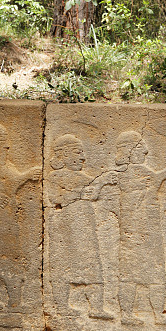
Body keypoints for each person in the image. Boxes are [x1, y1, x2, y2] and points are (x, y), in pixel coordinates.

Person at [0, 122, 41, 314]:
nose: (8, 146)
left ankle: (14, 302)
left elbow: (13, 181)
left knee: (12, 260)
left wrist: (26, 176)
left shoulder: (7, 166)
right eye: (3, 141)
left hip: (9, 221)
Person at [113, 131, 166, 326]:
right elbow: (136, 191)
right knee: (130, 275)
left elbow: (149, 187)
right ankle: (126, 314)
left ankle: (158, 314)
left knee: (157, 274)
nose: (146, 151)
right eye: (141, 147)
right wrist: (161, 177)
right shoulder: (124, 174)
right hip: (133, 233)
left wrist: (159, 177)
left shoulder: (146, 171)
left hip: (151, 231)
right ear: (129, 151)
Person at [47, 134, 113, 320]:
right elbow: (55, 199)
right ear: (63, 155)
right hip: (64, 227)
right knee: (62, 265)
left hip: (85, 226)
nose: (83, 157)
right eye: (78, 152)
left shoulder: (86, 177)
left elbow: (92, 194)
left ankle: (96, 308)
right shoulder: (55, 177)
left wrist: (102, 184)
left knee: (92, 264)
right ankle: (62, 306)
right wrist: (81, 193)